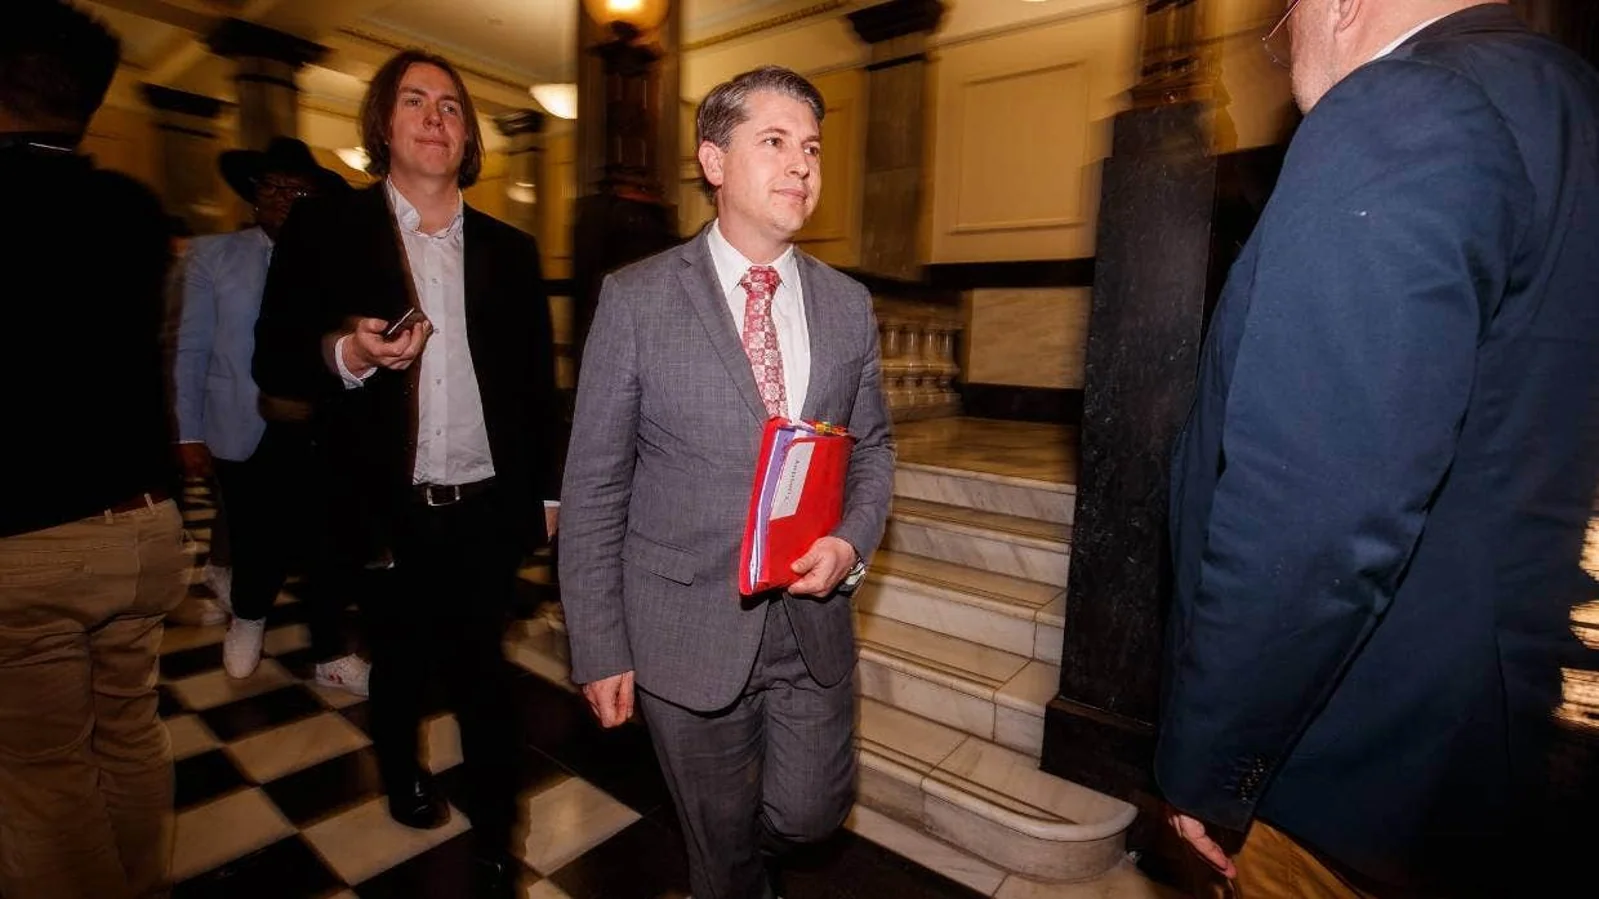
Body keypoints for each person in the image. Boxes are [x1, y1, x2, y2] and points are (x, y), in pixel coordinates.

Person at [1156, 2, 1599, 896]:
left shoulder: (1400, 107)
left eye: (1282, 24)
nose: (1284, 54)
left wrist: (1213, 758)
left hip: (1346, 768)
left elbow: (1313, 508)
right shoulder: (1569, 100)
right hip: (1495, 750)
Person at [559, 65, 895, 899]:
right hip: (683, 627)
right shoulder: (636, 300)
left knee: (809, 816)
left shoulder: (846, 304)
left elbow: (873, 450)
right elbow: (594, 486)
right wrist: (599, 645)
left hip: (809, 621)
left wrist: (849, 539)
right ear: (713, 161)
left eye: (811, 147)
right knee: (718, 845)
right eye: (774, 141)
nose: (801, 164)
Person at [253, 48, 560, 899]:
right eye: (415, 101)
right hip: (383, 507)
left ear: (467, 137)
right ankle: (400, 769)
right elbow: (274, 357)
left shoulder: (509, 248)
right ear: (382, 125)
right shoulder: (327, 229)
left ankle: (497, 840)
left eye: (451, 105)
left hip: (483, 507)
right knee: (398, 661)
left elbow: (537, 385)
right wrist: (349, 353)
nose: (435, 117)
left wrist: (548, 491)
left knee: (485, 678)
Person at [0, 2, 189, 897]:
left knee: (46, 772)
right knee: (130, 730)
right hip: (144, 528)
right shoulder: (133, 209)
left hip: (30, 538)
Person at [174, 137, 370, 693]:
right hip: (241, 420)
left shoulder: (332, 259)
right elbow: (192, 348)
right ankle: (249, 617)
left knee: (327, 540)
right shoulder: (213, 255)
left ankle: (330, 651)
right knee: (255, 533)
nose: (285, 198)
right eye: (274, 186)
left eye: (299, 190)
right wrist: (187, 432)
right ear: (254, 193)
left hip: (318, 423)